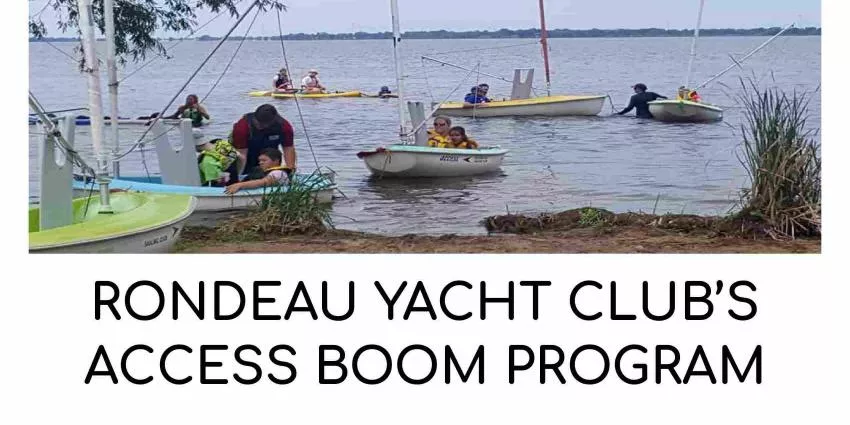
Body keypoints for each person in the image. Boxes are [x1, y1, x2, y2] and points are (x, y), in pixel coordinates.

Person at [230, 104, 297, 179]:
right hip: (247, 156)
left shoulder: (284, 126)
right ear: (255, 117)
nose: (260, 126)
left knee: (272, 170)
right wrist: (238, 176)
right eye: (258, 123)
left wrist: (290, 171)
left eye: (263, 125)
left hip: (270, 157)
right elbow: (241, 155)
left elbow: (288, 149)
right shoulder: (242, 127)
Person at [224, 148, 291, 194]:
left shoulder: (278, 173)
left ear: (276, 161)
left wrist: (240, 185)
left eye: (264, 160)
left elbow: (263, 182)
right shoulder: (265, 171)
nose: (260, 163)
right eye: (260, 160)